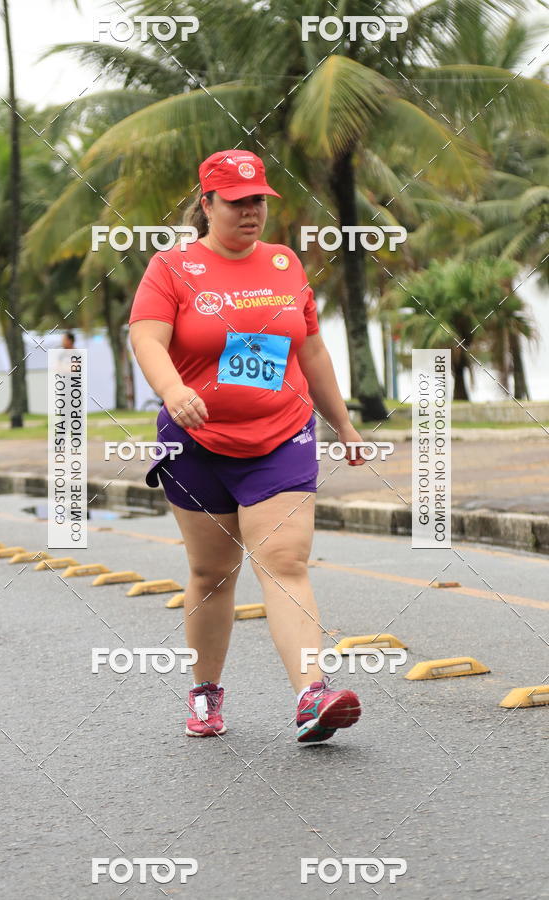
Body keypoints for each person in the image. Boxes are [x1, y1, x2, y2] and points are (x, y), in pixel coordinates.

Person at [129, 149, 367, 744]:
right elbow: (146, 338)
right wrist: (173, 389)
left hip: (281, 436)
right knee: (212, 572)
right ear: (206, 204)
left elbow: (309, 350)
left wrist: (343, 423)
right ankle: (206, 692)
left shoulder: (286, 265)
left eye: (259, 199)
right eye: (237, 201)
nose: (251, 211)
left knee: (284, 562)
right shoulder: (172, 267)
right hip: (196, 442)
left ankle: (312, 694)